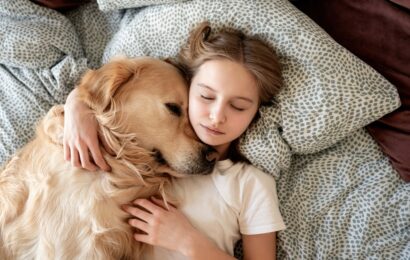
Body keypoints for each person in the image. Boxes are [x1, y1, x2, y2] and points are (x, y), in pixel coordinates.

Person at [64, 21, 285, 259]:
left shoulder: (251, 184)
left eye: (238, 106)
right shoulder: (151, 157)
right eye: (206, 96)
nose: (217, 116)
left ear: (256, 113)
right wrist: (78, 104)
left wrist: (188, 242)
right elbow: (116, 99)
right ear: (187, 88)